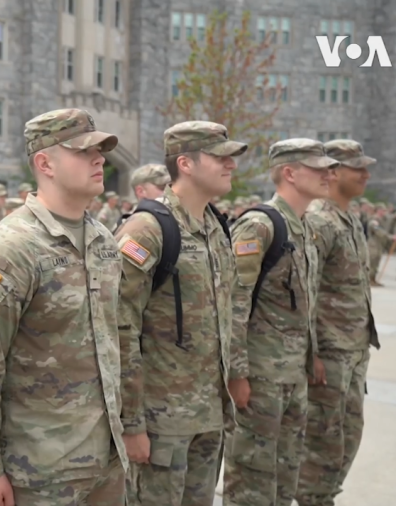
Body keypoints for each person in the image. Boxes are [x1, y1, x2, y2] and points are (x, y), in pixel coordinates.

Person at [0, 108, 127, 506]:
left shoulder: (103, 241)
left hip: (104, 460)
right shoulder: (10, 249)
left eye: (101, 151)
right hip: (38, 471)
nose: (99, 159)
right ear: (44, 163)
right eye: (83, 151)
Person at [116, 121, 245, 506]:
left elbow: (229, 311)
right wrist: (131, 423)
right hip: (160, 422)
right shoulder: (148, 230)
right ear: (186, 164)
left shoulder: (215, 226)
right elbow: (119, 327)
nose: (231, 166)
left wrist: (236, 375)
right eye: (220, 157)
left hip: (208, 413)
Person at [224, 139, 336, 506]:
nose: (328, 174)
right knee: (251, 481)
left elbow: (304, 305)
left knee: (286, 477)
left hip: (292, 376)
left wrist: (312, 357)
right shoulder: (259, 226)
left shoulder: (305, 228)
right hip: (260, 378)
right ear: (289, 173)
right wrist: (237, 374)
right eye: (318, 168)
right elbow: (234, 303)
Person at [297, 139, 380, 506]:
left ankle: (323, 496)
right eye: (356, 167)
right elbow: (305, 291)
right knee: (323, 441)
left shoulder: (347, 217)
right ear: (332, 172)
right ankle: (315, 499)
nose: (365, 173)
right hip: (328, 356)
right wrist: (311, 353)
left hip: (352, 352)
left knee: (348, 436)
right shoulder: (319, 220)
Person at [366, 204, 389, 286]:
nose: (384, 212)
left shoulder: (382, 220)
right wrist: (388, 236)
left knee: (376, 262)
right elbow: (377, 230)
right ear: (378, 210)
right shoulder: (374, 219)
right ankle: (368, 280)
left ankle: (373, 279)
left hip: (379, 244)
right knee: (372, 262)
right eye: (382, 210)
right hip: (373, 244)